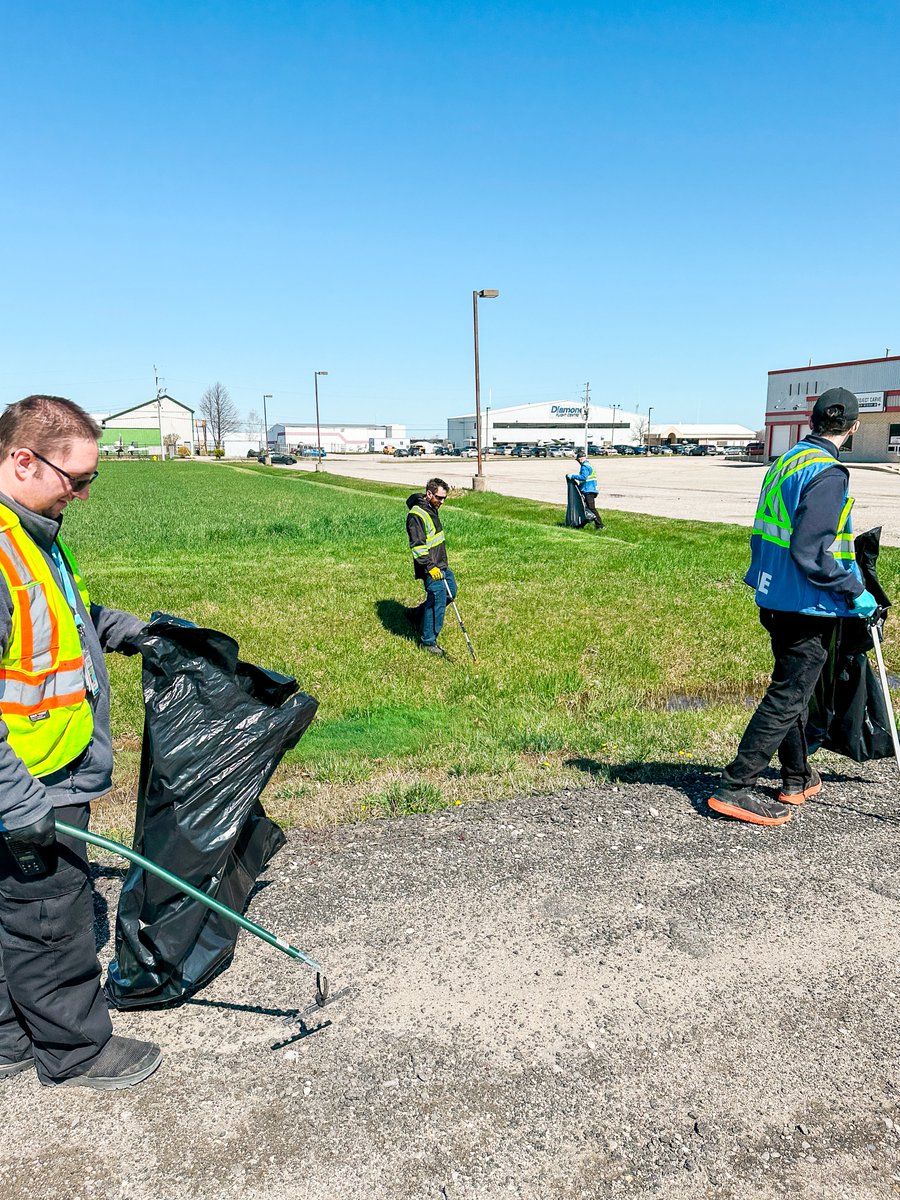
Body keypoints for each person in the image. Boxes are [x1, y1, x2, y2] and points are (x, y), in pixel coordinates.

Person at [0, 395, 161, 1088]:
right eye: (77, 479)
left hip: (40, 769)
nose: (84, 494)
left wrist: (120, 629)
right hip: (34, 779)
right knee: (51, 917)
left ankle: (9, 1042)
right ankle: (76, 1050)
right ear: (22, 459)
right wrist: (14, 796)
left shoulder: (29, 531)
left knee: (13, 910)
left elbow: (57, 613)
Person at [708, 388, 877, 826]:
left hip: (774, 592)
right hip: (806, 601)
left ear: (811, 420)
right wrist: (853, 589)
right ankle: (736, 785)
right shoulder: (829, 473)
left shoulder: (787, 461)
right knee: (788, 694)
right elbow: (811, 551)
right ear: (854, 428)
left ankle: (797, 776)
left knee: (794, 688)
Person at [405, 478, 457, 656]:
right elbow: (418, 547)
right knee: (437, 599)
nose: (441, 502)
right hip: (430, 566)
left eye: (444, 498)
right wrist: (430, 568)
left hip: (441, 563)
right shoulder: (416, 516)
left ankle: (417, 615)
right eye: (439, 498)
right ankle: (428, 642)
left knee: (452, 592)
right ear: (428, 494)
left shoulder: (431, 508)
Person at [568, 450, 604, 529]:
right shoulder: (589, 465)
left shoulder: (585, 466)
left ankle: (600, 525)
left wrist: (573, 476)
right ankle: (581, 525)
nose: (578, 462)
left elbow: (584, 477)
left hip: (588, 490)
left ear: (580, 459)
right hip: (591, 489)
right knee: (586, 508)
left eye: (577, 460)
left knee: (591, 508)